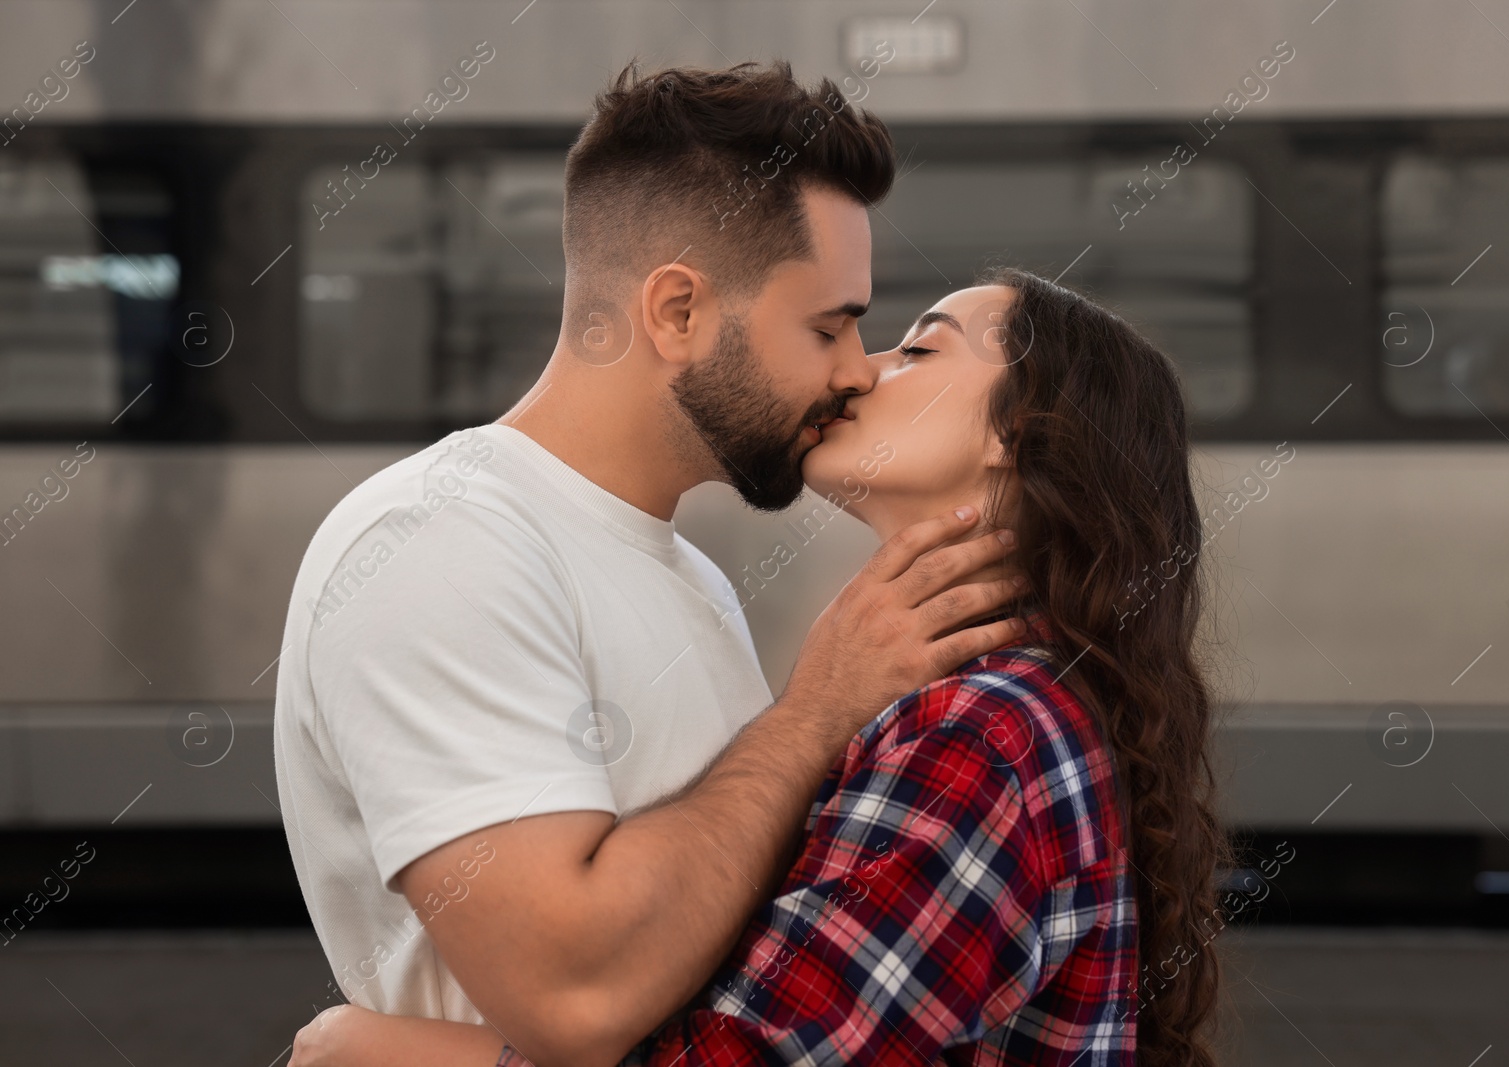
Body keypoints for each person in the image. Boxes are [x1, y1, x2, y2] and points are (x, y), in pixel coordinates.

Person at [272, 62, 1025, 1067]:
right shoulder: (437, 541)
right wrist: (809, 717)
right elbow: (571, 994)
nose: (856, 369)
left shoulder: (686, 573)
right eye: (827, 324)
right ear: (676, 312)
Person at [289, 272, 1228, 1065]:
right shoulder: (1010, 705)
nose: (860, 371)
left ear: (1013, 434)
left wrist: (375, 1048)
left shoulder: (983, 734)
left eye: (918, 350)